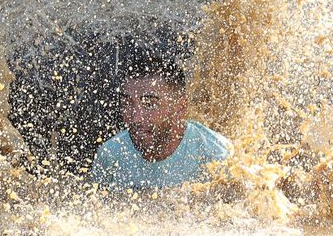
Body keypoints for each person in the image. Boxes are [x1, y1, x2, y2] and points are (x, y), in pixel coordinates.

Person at [88, 50, 230, 193]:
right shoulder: (111, 155)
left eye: (149, 104)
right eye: (127, 103)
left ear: (180, 108)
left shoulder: (216, 156)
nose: (136, 117)